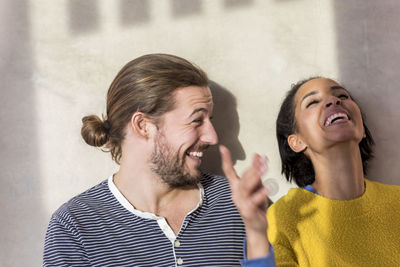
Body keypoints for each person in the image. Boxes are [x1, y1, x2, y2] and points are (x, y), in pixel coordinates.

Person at [43, 54, 258, 266]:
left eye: (209, 120)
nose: (212, 137)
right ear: (143, 126)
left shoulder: (236, 203)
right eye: (196, 121)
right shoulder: (74, 226)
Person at [222, 77, 400, 266]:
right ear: (296, 142)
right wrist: (256, 233)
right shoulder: (283, 217)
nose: (334, 101)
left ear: (362, 129)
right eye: (313, 102)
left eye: (342, 95)